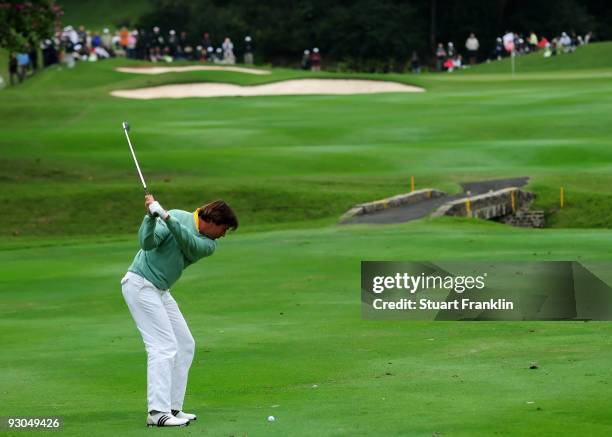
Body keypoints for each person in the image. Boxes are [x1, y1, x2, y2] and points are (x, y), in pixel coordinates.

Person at [122, 195, 238, 427]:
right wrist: (150, 218)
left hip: (160, 290)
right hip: (140, 284)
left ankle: (173, 407)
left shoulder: (208, 244)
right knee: (163, 346)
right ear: (212, 221)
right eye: (224, 229)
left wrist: (165, 216)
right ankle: (157, 413)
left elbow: (188, 243)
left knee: (185, 345)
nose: (223, 235)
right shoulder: (177, 216)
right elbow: (147, 244)